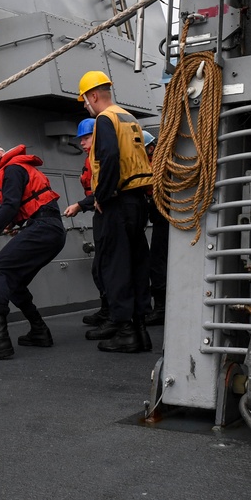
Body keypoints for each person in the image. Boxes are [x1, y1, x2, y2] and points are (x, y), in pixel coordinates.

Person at [0, 139, 67, 361]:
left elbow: (10, 206)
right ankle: (39, 331)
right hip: (50, 230)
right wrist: (14, 224)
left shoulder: (11, 169)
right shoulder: (18, 168)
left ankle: (0, 339)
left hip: (44, 228)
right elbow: (22, 205)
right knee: (15, 282)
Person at [77, 70, 153, 353]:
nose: (85, 105)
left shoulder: (105, 119)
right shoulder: (128, 117)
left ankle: (125, 332)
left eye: (85, 100)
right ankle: (140, 330)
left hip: (117, 203)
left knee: (115, 266)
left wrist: (102, 194)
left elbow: (109, 156)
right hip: (136, 202)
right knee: (136, 264)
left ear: (93, 96)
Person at [62, 118, 108, 326]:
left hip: (109, 212)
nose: (82, 142)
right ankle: (109, 310)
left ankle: (115, 314)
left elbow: (104, 188)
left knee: (106, 267)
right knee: (100, 268)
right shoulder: (91, 158)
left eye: (86, 137)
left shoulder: (102, 158)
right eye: (81, 139)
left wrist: (80, 205)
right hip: (100, 212)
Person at [142, 130, 168, 326]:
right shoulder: (157, 160)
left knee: (157, 261)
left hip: (165, 214)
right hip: (160, 214)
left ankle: (161, 308)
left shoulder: (159, 164)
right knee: (157, 260)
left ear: (150, 148)